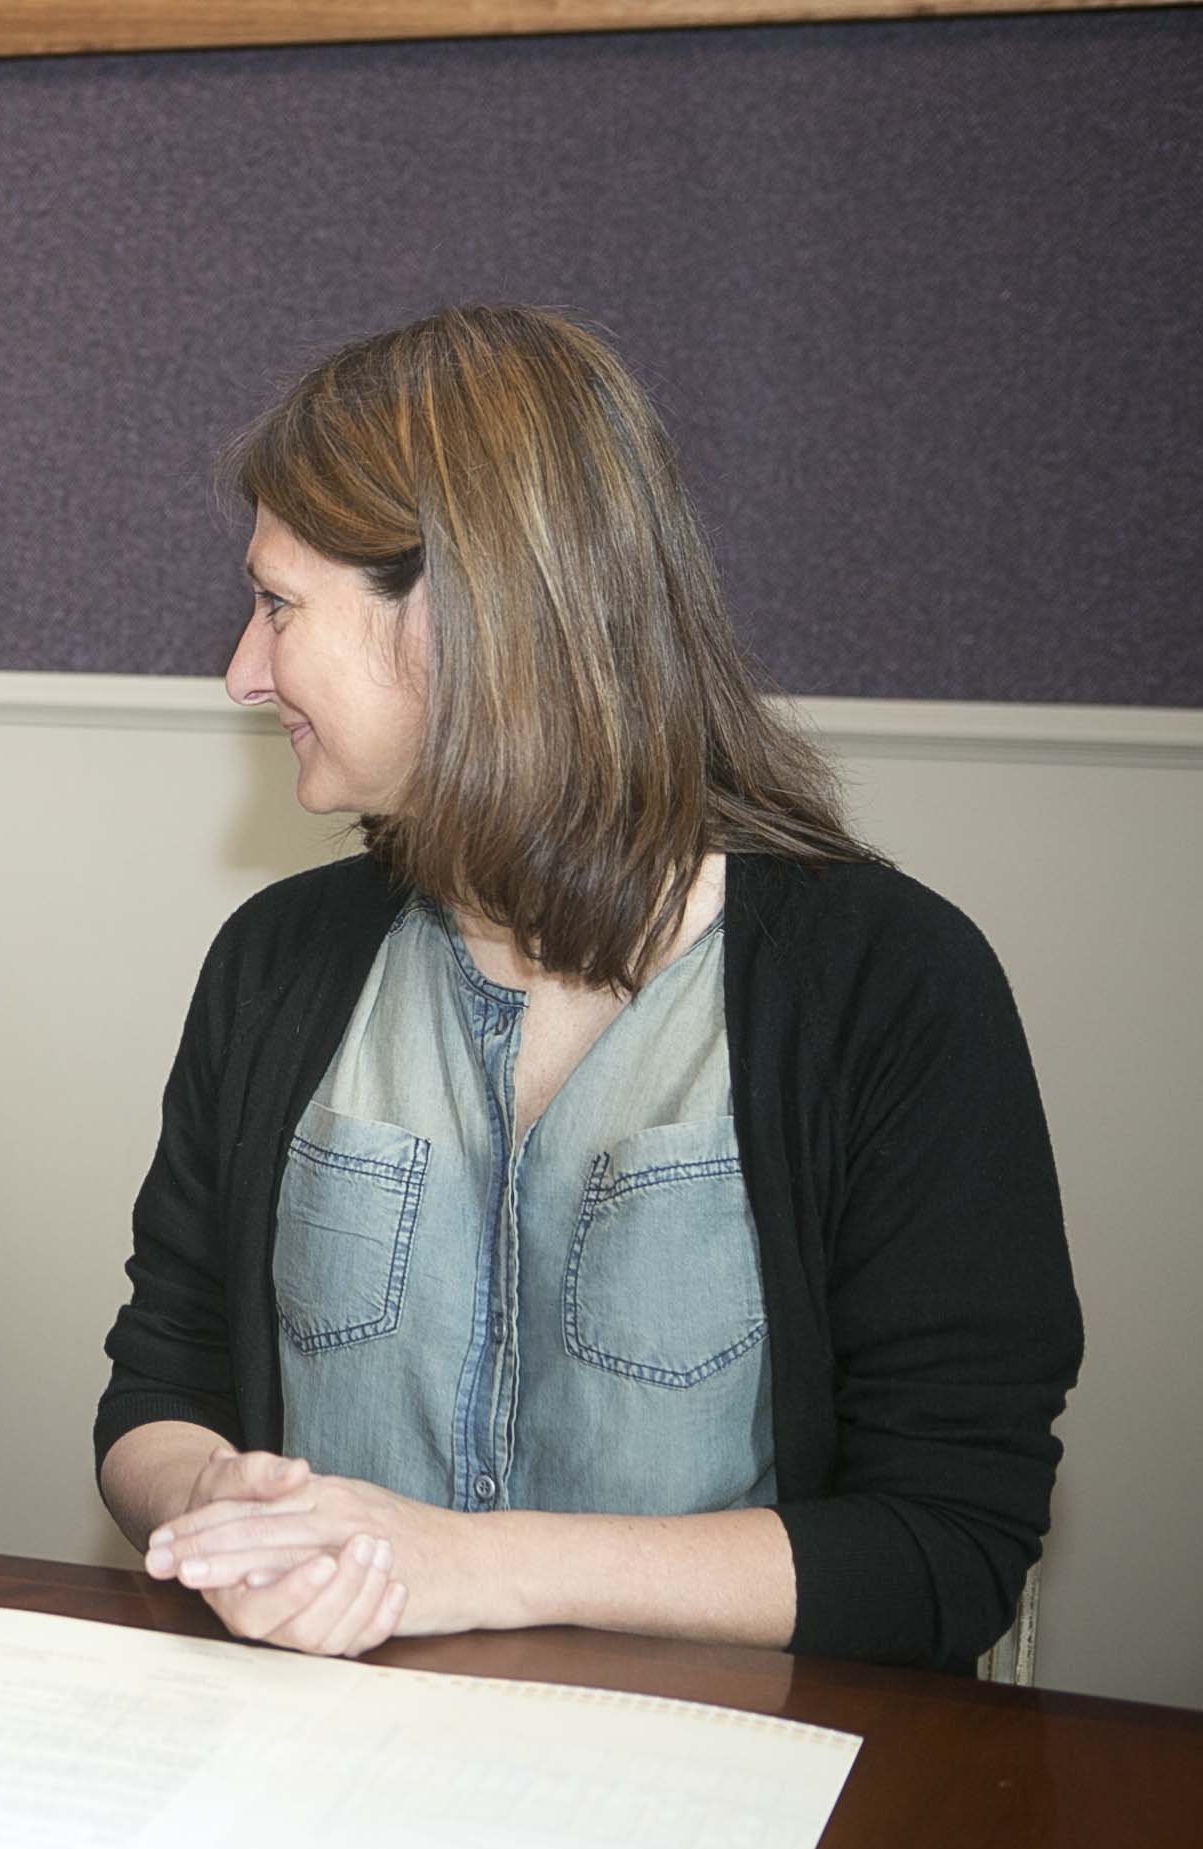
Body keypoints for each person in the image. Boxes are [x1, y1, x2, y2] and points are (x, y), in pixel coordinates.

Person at [96, 306, 1082, 1671]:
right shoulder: (278, 966)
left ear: (461, 616)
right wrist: (215, 1502)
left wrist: (471, 1570)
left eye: (277, 606)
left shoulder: (888, 989)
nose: (241, 674)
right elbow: (160, 1381)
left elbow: (946, 1545)